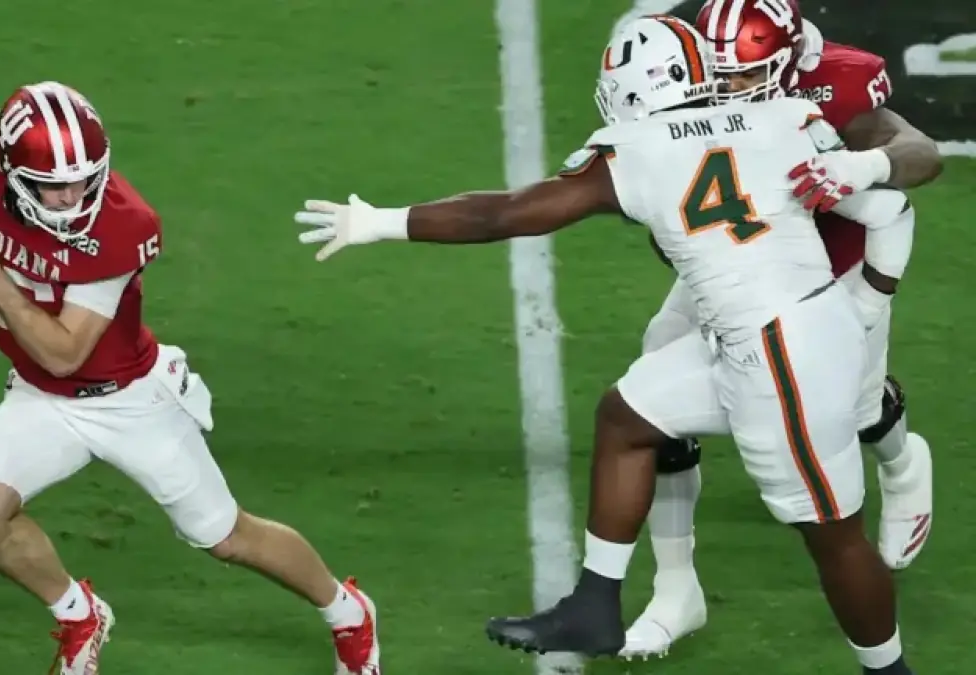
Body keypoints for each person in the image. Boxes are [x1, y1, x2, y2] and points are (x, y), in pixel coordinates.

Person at [295, 14, 916, 675]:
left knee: (833, 536)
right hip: (777, 334)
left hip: (782, 357)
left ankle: (889, 670)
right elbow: (887, 205)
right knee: (628, 415)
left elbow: (503, 213)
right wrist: (868, 296)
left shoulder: (639, 146)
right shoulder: (782, 116)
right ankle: (594, 604)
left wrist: (380, 222)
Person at [0, 81, 380, 675]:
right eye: (54, 184)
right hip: (41, 397)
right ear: (12, 172)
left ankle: (348, 613)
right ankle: (80, 615)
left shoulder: (121, 226)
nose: (74, 195)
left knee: (227, 536)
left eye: (84, 178)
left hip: (130, 400)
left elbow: (65, 353)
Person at [622, 0, 939, 658]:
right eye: (717, 71)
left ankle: (904, 464)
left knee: (853, 411)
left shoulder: (840, 79)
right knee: (651, 385)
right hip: (736, 255)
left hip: (833, 269)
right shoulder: (694, 59)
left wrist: (860, 167)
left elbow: (919, 155)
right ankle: (675, 587)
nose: (726, 85)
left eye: (740, 72)